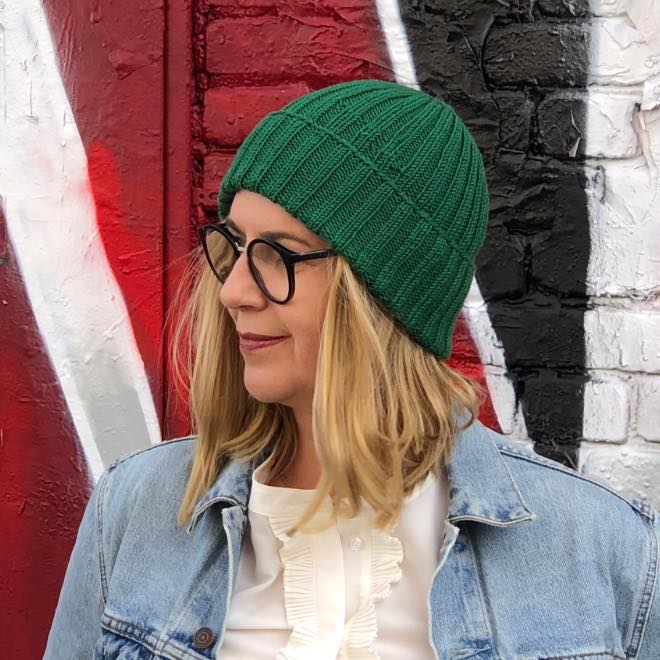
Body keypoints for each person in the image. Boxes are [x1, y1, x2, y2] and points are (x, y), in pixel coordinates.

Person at [45, 79, 659, 659]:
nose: (233, 291)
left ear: (384, 298)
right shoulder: (137, 511)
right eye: (234, 246)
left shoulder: (602, 548)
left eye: (277, 255)